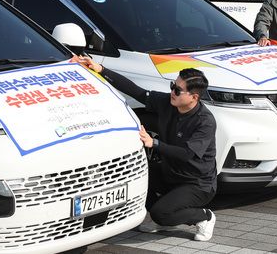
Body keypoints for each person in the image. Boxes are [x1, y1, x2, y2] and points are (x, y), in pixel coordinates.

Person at [74, 55, 218, 241]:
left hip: (197, 184)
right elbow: (137, 92)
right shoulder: (169, 103)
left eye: (177, 90)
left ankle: (204, 216)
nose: (172, 92)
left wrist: (154, 143)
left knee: (161, 214)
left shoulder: (205, 121)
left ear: (194, 97)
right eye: (172, 86)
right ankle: (162, 214)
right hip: (171, 173)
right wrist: (101, 69)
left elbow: (186, 154)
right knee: (136, 175)